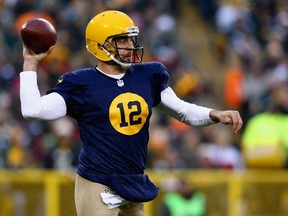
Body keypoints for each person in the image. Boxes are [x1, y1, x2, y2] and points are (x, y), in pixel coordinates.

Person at [19, 10, 242, 216]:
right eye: (121, 40)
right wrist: (30, 63)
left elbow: (182, 111)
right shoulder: (81, 84)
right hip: (99, 182)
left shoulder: (147, 76)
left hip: (133, 181)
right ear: (99, 46)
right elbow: (33, 110)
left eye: (130, 39)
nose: (129, 45)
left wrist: (215, 114)